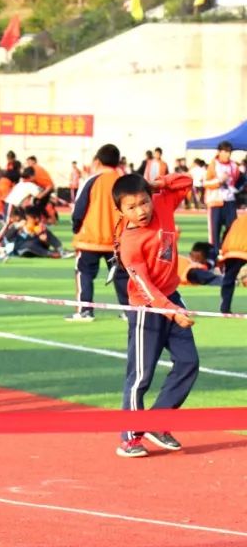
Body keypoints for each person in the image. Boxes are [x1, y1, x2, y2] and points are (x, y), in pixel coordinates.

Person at [111, 172, 198, 458]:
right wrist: (173, 313)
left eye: (144, 202)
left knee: (188, 362)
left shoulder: (162, 203)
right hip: (148, 308)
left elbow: (185, 182)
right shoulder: (130, 243)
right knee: (140, 376)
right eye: (132, 207)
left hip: (172, 298)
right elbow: (145, 289)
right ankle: (129, 437)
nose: (142, 211)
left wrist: (156, 184)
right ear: (121, 211)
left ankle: (156, 422)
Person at [68, 143, 124, 320]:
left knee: (84, 273)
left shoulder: (92, 181)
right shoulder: (124, 181)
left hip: (90, 239)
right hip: (117, 240)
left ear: (97, 161)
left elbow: (79, 208)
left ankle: (85, 310)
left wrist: (76, 227)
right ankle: (129, 310)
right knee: (122, 276)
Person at [204, 141, 241, 263]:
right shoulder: (213, 165)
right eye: (225, 152)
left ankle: (228, 254)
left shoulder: (234, 166)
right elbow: (206, 183)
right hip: (216, 202)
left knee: (232, 229)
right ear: (219, 152)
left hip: (230, 201)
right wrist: (219, 181)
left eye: (229, 152)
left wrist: (237, 189)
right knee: (214, 231)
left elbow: (238, 180)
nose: (227, 154)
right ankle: (214, 258)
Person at [216, 211, 247, 313]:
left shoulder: (238, 220)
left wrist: (223, 253)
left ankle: (225, 307)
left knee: (229, 278)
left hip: (230, 250)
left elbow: (226, 234)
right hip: (244, 249)